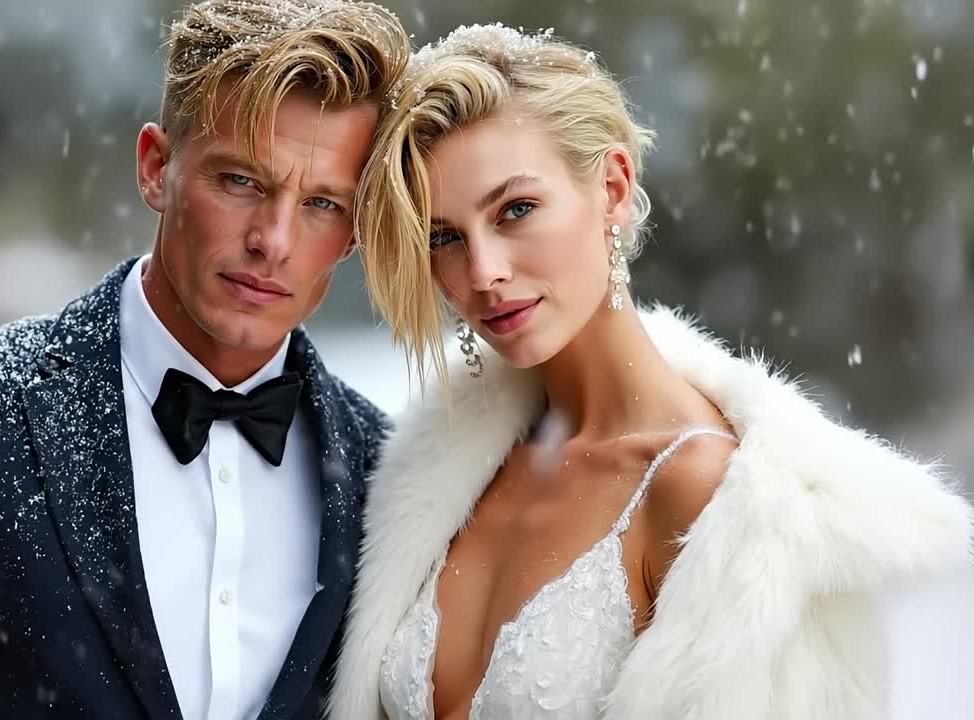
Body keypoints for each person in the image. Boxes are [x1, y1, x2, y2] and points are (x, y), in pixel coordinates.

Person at [0, 1, 409, 718]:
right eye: (242, 181)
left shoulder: (393, 477)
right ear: (156, 168)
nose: (274, 241)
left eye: (322, 204)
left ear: (356, 230)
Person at [331, 23, 973, 720]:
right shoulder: (433, 473)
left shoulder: (716, 502)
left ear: (612, 188)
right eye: (444, 237)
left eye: (516, 210)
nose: (483, 271)